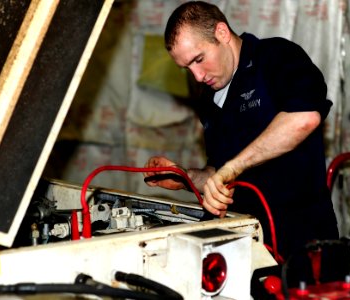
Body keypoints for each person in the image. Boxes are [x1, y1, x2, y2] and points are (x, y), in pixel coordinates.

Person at [143, 1, 339, 263]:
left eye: (199, 60)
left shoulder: (275, 56)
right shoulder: (209, 98)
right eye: (187, 68)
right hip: (244, 245)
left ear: (222, 33)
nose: (198, 76)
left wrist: (232, 168)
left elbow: (304, 117)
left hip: (303, 242)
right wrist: (187, 178)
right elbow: (218, 172)